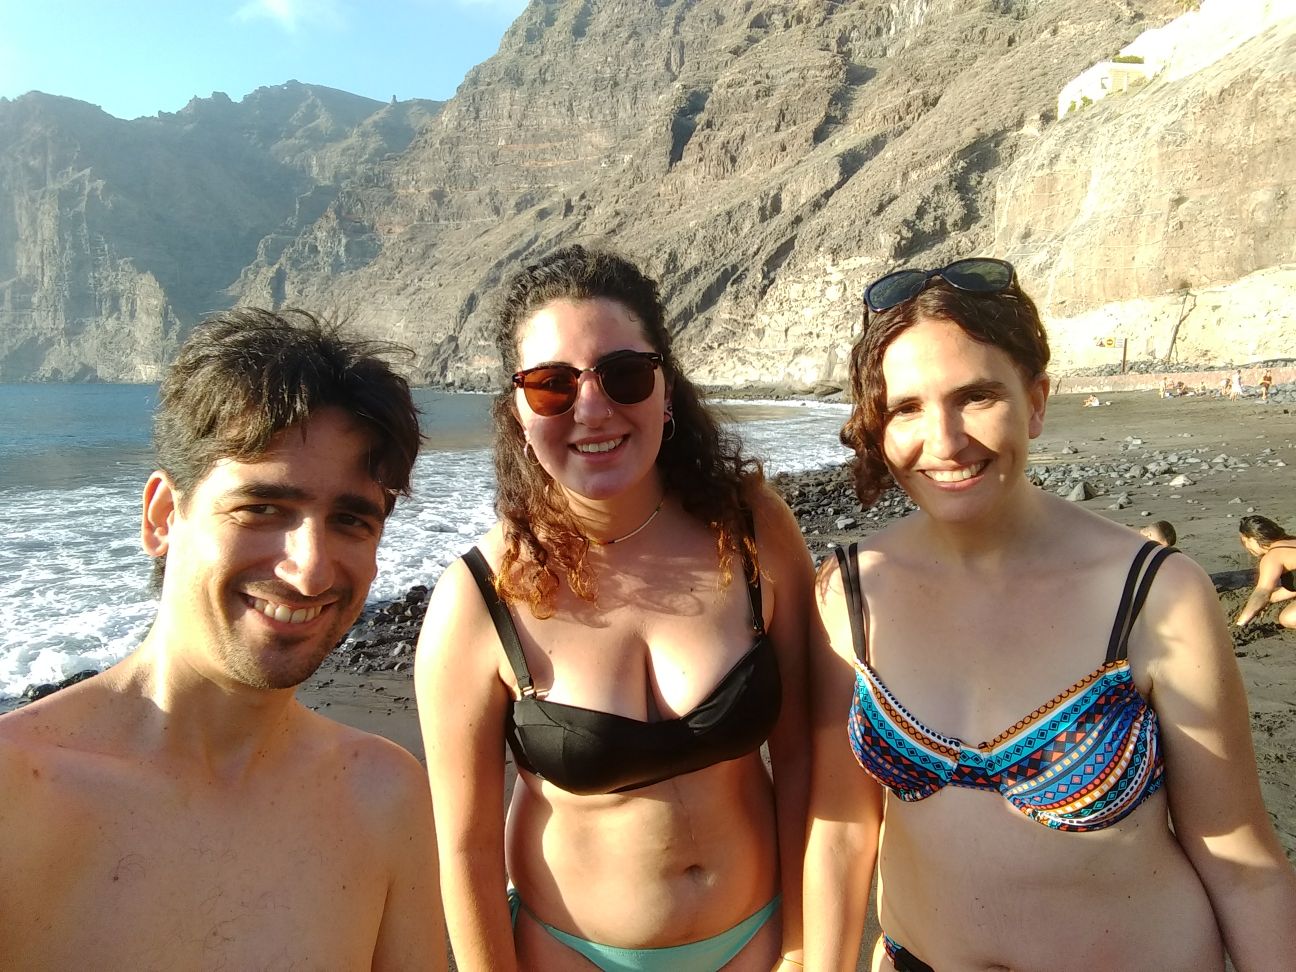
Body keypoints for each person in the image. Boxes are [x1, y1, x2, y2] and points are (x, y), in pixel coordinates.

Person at [803, 257, 1296, 970]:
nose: (944, 441)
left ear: (1034, 401)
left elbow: (1243, 864)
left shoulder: (1156, 595)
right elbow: (842, 833)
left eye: (976, 396)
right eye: (906, 407)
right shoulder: (849, 593)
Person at [0, 308, 445, 970]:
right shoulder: (18, 795)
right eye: (262, 508)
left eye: (351, 520)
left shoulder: (383, 796)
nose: (310, 569)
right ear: (162, 516)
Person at [415, 245, 812, 971]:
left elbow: (805, 759)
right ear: (518, 412)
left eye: (624, 374)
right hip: (569, 954)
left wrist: (805, 950)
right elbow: (465, 850)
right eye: (551, 386)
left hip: (759, 941)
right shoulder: (478, 596)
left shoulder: (750, 528)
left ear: (666, 389)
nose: (592, 409)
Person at [1235, 514, 1296, 629]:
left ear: (1252, 538)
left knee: (1287, 618)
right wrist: (1272, 599)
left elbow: (1262, 592)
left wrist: (1240, 624)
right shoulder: (1291, 541)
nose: (1247, 548)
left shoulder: (1273, 555)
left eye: (1244, 541)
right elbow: (1293, 587)